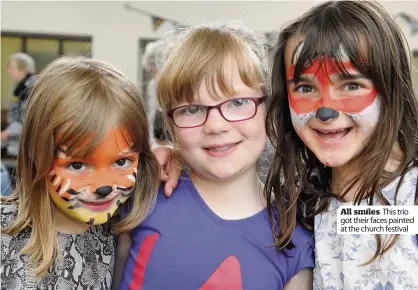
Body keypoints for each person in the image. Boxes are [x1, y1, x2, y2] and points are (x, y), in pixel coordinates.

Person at [116, 22, 314, 290]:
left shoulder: (295, 235)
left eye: (237, 103)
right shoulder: (142, 197)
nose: (216, 126)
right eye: (193, 109)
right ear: (170, 124)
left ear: (270, 109)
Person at [264, 1, 418, 289]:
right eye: (305, 88)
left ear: (392, 90)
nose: (326, 111)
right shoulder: (295, 204)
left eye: (351, 85)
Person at [1, 56, 162, 289]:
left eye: (122, 161)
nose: (104, 186)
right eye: (77, 165)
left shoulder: (124, 232)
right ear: (36, 155)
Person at [2, 52, 37, 157]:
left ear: (23, 68)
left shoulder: (30, 88)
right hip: (17, 144)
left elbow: (28, 120)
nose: (9, 71)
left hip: (25, 149)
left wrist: (8, 132)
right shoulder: (20, 88)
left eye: (12, 68)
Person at [142, 40, 171, 146]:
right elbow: (152, 112)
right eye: (152, 73)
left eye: (155, 72)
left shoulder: (172, 85)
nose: (154, 77)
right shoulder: (153, 84)